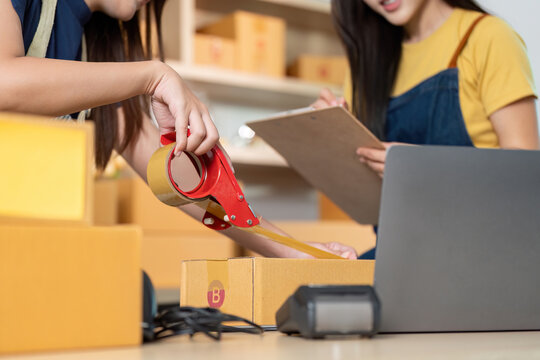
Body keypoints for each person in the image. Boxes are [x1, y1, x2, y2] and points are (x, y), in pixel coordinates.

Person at [0, 0, 358, 259]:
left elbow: (174, 175)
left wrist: (294, 252)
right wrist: (153, 75)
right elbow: (5, 81)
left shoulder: (92, 51)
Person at [313, 0, 539, 258]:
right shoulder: (367, 65)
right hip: (402, 251)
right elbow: (364, 195)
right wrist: (331, 132)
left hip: (485, 252)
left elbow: (526, 175)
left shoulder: (488, 37)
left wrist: (422, 168)